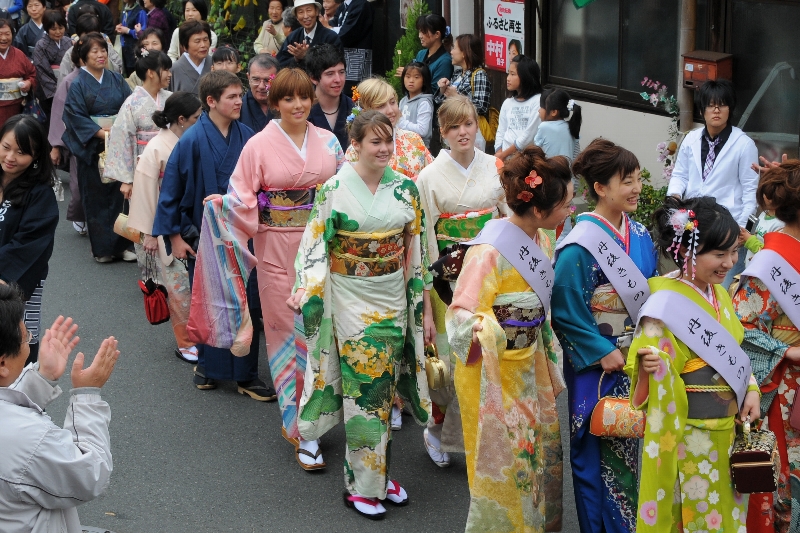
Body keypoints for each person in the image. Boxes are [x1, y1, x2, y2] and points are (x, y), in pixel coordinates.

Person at [190, 67, 343, 469]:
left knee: (323, 334)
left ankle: (321, 415)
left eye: (303, 98)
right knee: (286, 337)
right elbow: (241, 195)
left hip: (323, 252)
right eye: (288, 99)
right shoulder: (258, 145)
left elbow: (344, 193)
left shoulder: (328, 141)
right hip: (277, 251)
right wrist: (223, 207)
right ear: (275, 103)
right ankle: (299, 428)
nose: (297, 105)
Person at [287, 110, 433, 519]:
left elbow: (416, 252)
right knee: (363, 388)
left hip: (391, 297)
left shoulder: (406, 189)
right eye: (375, 142)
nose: (384, 149)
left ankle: (377, 475)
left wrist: (419, 304)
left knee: (382, 393)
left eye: (388, 141)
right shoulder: (333, 187)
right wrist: (307, 288)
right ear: (356, 145)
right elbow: (314, 244)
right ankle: (361, 487)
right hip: (349, 298)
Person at [445, 145, 570, 532]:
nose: (570, 210)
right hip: (492, 372)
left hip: (528, 362)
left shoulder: (542, 241)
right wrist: (485, 327)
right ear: (537, 210)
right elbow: (461, 313)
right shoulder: (488, 251)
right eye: (565, 204)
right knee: (504, 460)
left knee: (534, 455)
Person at [625, 195, 761, 532]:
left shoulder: (722, 297)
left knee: (725, 515)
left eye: (733, 252)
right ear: (687, 252)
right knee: (695, 516)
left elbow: (738, 355)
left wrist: (752, 389)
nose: (730, 262)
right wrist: (653, 367)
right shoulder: (664, 305)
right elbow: (650, 373)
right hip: (688, 435)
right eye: (719, 254)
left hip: (727, 432)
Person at [550, 139, 658, 533]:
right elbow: (565, 309)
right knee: (597, 452)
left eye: (637, 179)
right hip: (598, 365)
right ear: (600, 187)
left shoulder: (641, 233)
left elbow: (649, 292)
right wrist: (598, 351)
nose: (635, 188)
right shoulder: (579, 245)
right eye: (625, 181)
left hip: (637, 359)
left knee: (633, 447)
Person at [153, 70, 275, 401]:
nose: (240, 101)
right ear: (212, 101)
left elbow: (262, 183)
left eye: (240, 95)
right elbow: (171, 192)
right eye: (233, 96)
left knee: (245, 302)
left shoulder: (248, 135)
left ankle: (246, 375)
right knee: (208, 300)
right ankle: (208, 366)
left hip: (242, 236)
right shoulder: (192, 139)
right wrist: (175, 237)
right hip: (202, 237)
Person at [415, 95, 507, 467]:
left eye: (468, 123)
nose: (463, 132)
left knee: (488, 354)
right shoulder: (429, 177)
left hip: (489, 271)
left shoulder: (494, 166)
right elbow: (425, 236)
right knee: (453, 360)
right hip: (448, 276)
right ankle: (437, 430)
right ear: (443, 132)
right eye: (453, 127)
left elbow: (506, 215)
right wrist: (427, 294)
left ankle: (477, 435)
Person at [0, 287, 119, 533]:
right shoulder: (29, 439)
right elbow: (90, 475)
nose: (30, 341)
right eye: (27, 337)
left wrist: (42, 378)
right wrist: (88, 395)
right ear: (2, 362)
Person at [732, 160, 800, 533]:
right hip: (786, 389)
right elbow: (741, 328)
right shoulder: (770, 263)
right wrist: (787, 352)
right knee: (784, 485)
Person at [128, 92, 202, 364]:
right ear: (181, 119)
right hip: (166, 224)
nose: (200, 120)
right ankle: (185, 342)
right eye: (196, 117)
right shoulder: (157, 147)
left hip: (192, 220)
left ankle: (202, 336)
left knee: (197, 286)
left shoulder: (191, 139)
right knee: (179, 288)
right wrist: (150, 232)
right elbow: (146, 192)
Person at [667, 79, 758, 289]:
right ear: (703, 109)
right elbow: (680, 175)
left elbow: (750, 191)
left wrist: (739, 229)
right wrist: (673, 201)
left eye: (722, 104)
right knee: (692, 282)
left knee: (721, 287)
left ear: (730, 108)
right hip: (695, 223)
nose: (716, 110)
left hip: (728, 228)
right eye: (710, 105)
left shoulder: (744, 144)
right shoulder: (691, 139)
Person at [61, 33, 134, 263]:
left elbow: (129, 106)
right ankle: (102, 249)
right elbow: (74, 115)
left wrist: (118, 133)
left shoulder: (116, 79)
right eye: (94, 51)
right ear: (83, 57)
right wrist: (103, 133)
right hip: (92, 148)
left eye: (103, 50)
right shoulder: (78, 85)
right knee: (96, 198)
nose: (101, 55)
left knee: (119, 195)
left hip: (117, 144)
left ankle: (122, 245)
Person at [0, 115, 58, 365]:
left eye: (22, 152)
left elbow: (30, 247)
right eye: (6, 147)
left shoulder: (40, 194)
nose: (11, 157)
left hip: (14, 286)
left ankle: (21, 403)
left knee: (14, 352)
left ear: (36, 156)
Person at [105, 50, 171, 197]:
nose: (169, 74)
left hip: (170, 163)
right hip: (142, 164)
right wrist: (127, 180)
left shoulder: (171, 99)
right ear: (151, 73)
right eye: (165, 69)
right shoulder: (132, 103)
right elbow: (121, 138)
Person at [345, 77, 433, 181]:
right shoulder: (356, 149)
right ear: (365, 111)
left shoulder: (413, 139)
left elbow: (432, 175)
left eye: (392, 102)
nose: (391, 111)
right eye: (381, 105)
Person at [434, 34, 491, 151]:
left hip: (470, 131)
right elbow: (440, 102)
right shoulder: (457, 74)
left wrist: (457, 96)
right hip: (453, 126)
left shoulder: (479, 74)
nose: (451, 52)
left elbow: (481, 107)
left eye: (454, 48)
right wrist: (442, 90)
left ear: (464, 53)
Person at [495, 54, 543, 161]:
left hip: (526, 159)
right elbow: (501, 131)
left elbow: (528, 135)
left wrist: (504, 154)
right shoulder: (508, 102)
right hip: (504, 157)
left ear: (525, 76)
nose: (508, 78)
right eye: (508, 73)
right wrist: (499, 152)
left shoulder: (537, 101)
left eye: (513, 74)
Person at [306, 43, 353, 149]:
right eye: (330, 74)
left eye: (341, 72)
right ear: (313, 78)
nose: (338, 79)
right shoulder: (302, 110)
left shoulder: (355, 109)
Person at [394, 14, 452, 95]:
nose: (420, 36)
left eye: (424, 32)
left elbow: (436, 93)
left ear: (437, 34)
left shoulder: (445, 61)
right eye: (419, 31)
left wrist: (411, 76)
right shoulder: (421, 54)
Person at [58, 13, 124, 82]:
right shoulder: (71, 52)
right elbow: (63, 79)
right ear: (79, 35)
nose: (90, 39)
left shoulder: (106, 47)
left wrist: (107, 63)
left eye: (94, 35)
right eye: (87, 35)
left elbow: (119, 68)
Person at [276, 0, 342, 69]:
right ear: (296, 17)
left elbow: (334, 65)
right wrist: (296, 59)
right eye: (301, 12)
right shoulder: (293, 37)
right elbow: (279, 63)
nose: (306, 16)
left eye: (309, 10)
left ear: (316, 11)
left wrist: (307, 56)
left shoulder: (331, 37)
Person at [32, 9, 71, 124]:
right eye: (53, 29)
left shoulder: (68, 42)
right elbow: (42, 71)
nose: (58, 32)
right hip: (49, 93)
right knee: (51, 122)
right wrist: (58, 92)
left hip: (68, 87)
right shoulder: (41, 45)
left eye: (61, 28)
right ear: (47, 28)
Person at [0, 20, 35, 129]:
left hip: (16, 108)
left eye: (7, 34)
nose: (4, 38)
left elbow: (32, 74)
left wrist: (28, 83)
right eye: (0, 34)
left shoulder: (19, 55)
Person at [169, 20, 211, 95]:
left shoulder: (215, 64)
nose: (203, 45)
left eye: (205, 40)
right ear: (185, 46)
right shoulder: (173, 70)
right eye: (197, 41)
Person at [239, 53, 277, 133]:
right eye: (256, 79)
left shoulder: (286, 106)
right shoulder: (238, 107)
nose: (261, 86)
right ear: (248, 77)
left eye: (267, 80)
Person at [397, 61, 433, 148]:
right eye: (407, 76)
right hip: (402, 146)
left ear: (424, 80)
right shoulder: (403, 100)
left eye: (416, 77)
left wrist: (400, 121)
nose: (411, 81)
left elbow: (422, 130)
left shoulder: (424, 102)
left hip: (418, 149)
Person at [114, 0, 147, 76]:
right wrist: (119, 28)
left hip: (134, 51)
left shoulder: (140, 12)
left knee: (134, 75)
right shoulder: (125, 9)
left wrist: (128, 31)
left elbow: (143, 34)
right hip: (125, 50)